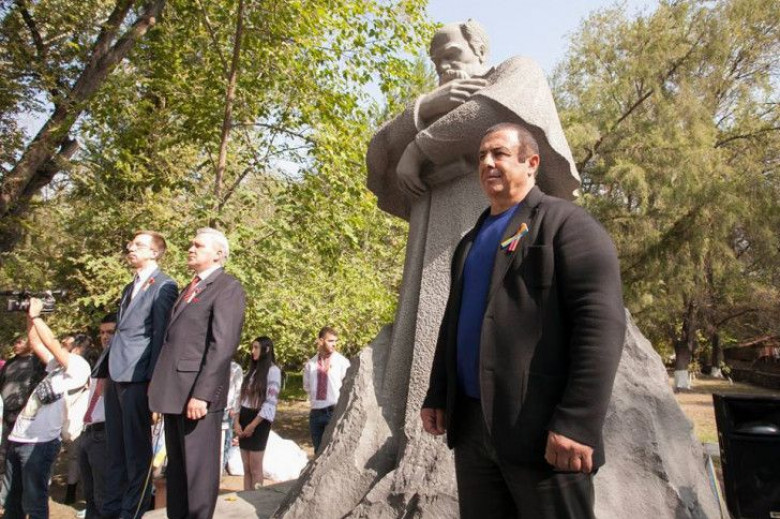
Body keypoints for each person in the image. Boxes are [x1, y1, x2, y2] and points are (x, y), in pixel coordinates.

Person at [420, 123, 626, 518]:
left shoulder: (568, 225)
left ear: (531, 163)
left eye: (498, 153)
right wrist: (438, 392)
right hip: (473, 432)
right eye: (482, 156)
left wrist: (578, 421)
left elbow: (601, 325)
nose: (487, 162)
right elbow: (454, 324)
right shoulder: (469, 242)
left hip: (545, 434)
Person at [148, 227, 246, 519]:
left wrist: (202, 394)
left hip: (197, 397)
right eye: (191, 244)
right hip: (174, 394)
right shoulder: (190, 288)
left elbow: (222, 345)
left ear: (218, 254)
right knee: (177, 471)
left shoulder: (227, 287)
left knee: (198, 474)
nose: (190, 249)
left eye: (198, 245)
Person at [93, 230, 178, 519]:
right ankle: (111, 510)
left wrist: (154, 383)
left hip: (138, 378)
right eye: (131, 244)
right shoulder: (130, 287)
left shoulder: (164, 286)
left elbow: (160, 335)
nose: (131, 248)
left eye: (139, 245)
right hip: (116, 375)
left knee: (136, 452)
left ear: (155, 252)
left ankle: (132, 512)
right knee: (115, 450)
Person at [3, 299, 92, 519]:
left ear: (77, 349)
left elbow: (50, 343)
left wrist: (37, 316)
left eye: (66, 344)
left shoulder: (79, 367)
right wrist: (29, 317)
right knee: (12, 501)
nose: (61, 345)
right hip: (19, 437)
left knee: (34, 502)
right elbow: (36, 344)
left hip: (40, 443)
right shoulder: (57, 368)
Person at [78, 314, 117, 519]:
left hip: (105, 432)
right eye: (102, 332)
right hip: (88, 431)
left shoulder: (120, 360)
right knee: (90, 496)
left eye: (110, 332)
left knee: (105, 497)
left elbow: (104, 392)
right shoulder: (101, 358)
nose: (105, 336)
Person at [234, 336, 281, 490]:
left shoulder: (273, 371)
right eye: (252, 347)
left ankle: (256, 498)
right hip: (244, 417)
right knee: (246, 467)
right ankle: (246, 494)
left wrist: (253, 425)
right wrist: (236, 421)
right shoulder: (252, 371)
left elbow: (270, 401)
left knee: (255, 467)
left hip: (259, 420)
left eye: (256, 348)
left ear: (266, 350)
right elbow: (240, 399)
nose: (252, 351)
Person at [0, 335, 46, 477]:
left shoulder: (37, 363)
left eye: (20, 342)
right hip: (6, 411)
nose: (16, 345)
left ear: (30, 344)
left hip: (25, 412)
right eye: (15, 342)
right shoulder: (10, 363)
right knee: (4, 448)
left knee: (20, 448)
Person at [302, 327, 350, 453]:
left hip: (334, 412)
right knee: (318, 452)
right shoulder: (311, 364)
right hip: (316, 413)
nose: (334, 344)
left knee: (333, 452)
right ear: (321, 341)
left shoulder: (342, 362)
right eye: (330, 341)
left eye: (335, 341)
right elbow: (307, 386)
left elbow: (348, 387)